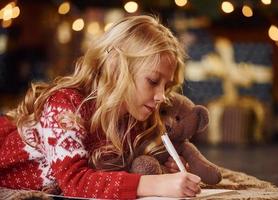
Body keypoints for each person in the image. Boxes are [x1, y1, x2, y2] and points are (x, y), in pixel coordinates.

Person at [0, 15, 201, 199]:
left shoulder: (134, 119)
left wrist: (167, 171)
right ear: (116, 69)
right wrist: (154, 184)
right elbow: (75, 182)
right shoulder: (65, 105)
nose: (162, 96)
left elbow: (123, 173)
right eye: (153, 81)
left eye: (166, 86)